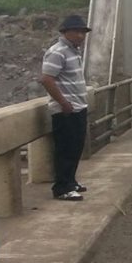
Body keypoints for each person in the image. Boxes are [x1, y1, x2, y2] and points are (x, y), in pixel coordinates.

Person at [40, 14, 91, 201]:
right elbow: (46, 79)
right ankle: (62, 188)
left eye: (83, 32)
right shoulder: (58, 51)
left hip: (78, 107)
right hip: (66, 110)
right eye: (76, 31)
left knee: (76, 147)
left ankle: (71, 181)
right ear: (65, 32)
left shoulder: (73, 51)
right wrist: (63, 103)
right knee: (65, 149)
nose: (80, 35)